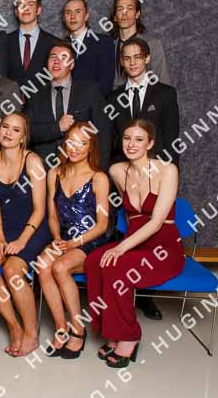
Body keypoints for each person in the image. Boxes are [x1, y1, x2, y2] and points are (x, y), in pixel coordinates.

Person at [84, 119, 184, 368]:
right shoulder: (117, 171)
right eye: (127, 138)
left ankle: (129, 336)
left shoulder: (167, 170)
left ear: (150, 144)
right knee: (94, 261)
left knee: (117, 268)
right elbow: (131, 216)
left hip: (163, 247)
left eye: (139, 139)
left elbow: (157, 221)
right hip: (135, 241)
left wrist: (121, 248)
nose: (131, 144)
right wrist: (124, 245)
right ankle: (110, 331)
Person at [0, 112, 51, 356]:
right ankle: (14, 326)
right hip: (5, 227)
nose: (8, 133)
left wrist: (22, 241)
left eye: (16, 130)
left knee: (12, 270)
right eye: (5, 127)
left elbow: (40, 210)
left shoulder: (33, 162)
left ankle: (32, 334)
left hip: (32, 228)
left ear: (23, 137)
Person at [37, 123, 110, 359]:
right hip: (65, 238)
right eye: (71, 141)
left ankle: (78, 330)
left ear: (90, 147)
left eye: (82, 143)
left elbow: (102, 225)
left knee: (60, 267)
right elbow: (52, 216)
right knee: (42, 265)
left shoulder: (99, 178)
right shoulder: (54, 173)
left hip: (90, 240)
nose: (75, 148)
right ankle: (61, 329)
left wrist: (74, 243)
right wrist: (58, 239)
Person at [25, 41, 111, 169]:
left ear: (72, 64)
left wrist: (99, 169)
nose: (56, 62)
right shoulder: (35, 95)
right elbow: (27, 133)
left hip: (81, 170)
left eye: (63, 58)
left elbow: (104, 132)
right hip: (43, 170)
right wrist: (57, 128)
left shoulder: (90, 91)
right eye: (53, 57)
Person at [109, 37, 179, 165]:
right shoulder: (113, 98)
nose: (132, 63)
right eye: (127, 58)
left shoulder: (166, 94)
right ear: (122, 62)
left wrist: (170, 171)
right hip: (124, 169)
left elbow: (171, 139)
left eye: (137, 57)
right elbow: (110, 140)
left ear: (147, 58)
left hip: (156, 167)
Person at [0, 0, 57, 94]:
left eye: (30, 4)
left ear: (38, 10)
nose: (25, 8)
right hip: (10, 102)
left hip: (42, 102)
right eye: (21, 5)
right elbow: (1, 77)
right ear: (16, 12)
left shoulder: (54, 43)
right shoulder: (4, 41)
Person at [110, 0, 171, 89]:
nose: (124, 13)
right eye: (120, 9)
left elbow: (164, 84)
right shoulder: (109, 47)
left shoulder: (153, 45)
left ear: (137, 14)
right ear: (115, 17)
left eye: (130, 8)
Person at [62, 0, 114, 97]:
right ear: (64, 18)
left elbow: (106, 84)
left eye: (78, 11)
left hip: (93, 104)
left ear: (86, 16)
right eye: (68, 12)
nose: (72, 16)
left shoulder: (103, 42)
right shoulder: (60, 46)